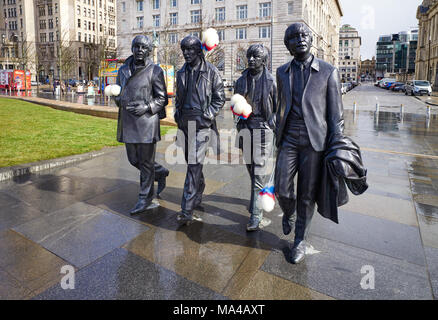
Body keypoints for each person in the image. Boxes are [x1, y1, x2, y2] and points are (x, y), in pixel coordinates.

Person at [274, 23, 344, 264]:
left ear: (311, 40)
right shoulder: (282, 72)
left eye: (305, 35)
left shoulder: (328, 71)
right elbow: (280, 105)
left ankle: (300, 240)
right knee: (282, 188)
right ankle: (288, 213)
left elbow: (336, 117)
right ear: (288, 45)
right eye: (294, 36)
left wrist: (337, 148)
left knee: (307, 194)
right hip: (289, 138)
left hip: (315, 141)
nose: (300, 39)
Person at [114, 35, 169, 215]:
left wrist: (146, 107)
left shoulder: (155, 71)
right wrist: (116, 98)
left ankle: (145, 198)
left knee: (145, 163)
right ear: (132, 48)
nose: (139, 50)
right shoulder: (122, 70)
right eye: (136, 46)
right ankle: (159, 172)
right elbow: (120, 94)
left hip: (146, 122)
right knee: (134, 159)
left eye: (143, 47)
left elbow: (162, 98)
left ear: (149, 51)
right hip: (128, 122)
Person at [174, 35, 225, 224]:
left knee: (194, 163)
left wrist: (208, 115)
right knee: (192, 164)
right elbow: (178, 98)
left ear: (198, 51)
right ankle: (199, 187)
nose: (186, 53)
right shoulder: (181, 73)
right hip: (185, 122)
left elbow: (219, 98)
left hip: (202, 123)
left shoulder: (210, 71)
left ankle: (186, 210)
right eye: (184, 49)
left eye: (190, 49)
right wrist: (177, 115)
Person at [233, 44, 277, 232]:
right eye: (249, 56)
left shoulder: (272, 81)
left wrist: (273, 123)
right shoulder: (241, 80)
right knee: (251, 168)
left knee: (259, 171)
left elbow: (279, 106)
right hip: (246, 127)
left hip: (263, 128)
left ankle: (256, 216)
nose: (251, 59)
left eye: (256, 57)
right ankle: (256, 199)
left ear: (264, 60)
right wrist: (239, 114)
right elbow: (234, 103)